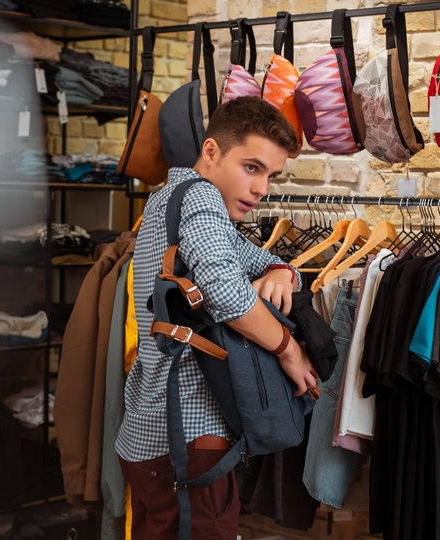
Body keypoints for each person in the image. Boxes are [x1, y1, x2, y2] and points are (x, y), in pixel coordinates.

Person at [115, 96, 319, 538]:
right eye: (252, 167)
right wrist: (289, 350)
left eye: (270, 175)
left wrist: (282, 272)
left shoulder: (168, 200)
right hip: (189, 435)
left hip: (148, 433)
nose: (261, 188)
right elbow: (226, 293)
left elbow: (263, 260)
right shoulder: (201, 197)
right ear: (211, 151)